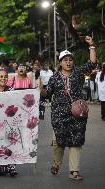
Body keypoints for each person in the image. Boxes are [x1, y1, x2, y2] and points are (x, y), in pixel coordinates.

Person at [41, 36, 97, 180]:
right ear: (60, 63)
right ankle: (57, 162)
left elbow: (92, 63)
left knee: (76, 142)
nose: (68, 62)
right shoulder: (54, 77)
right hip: (59, 117)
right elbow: (47, 94)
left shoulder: (78, 73)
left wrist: (91, 46)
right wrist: (41, 90)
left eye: (70, 59)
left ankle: (74, 171)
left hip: (77, 115)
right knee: (59, 143)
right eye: (65, 60)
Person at [0, 69, 18, 177]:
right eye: (0, 76)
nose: (3, 79)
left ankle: (11, 166)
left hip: (8, 121)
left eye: (5, 77)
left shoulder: (12, 90)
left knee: (9, 142)